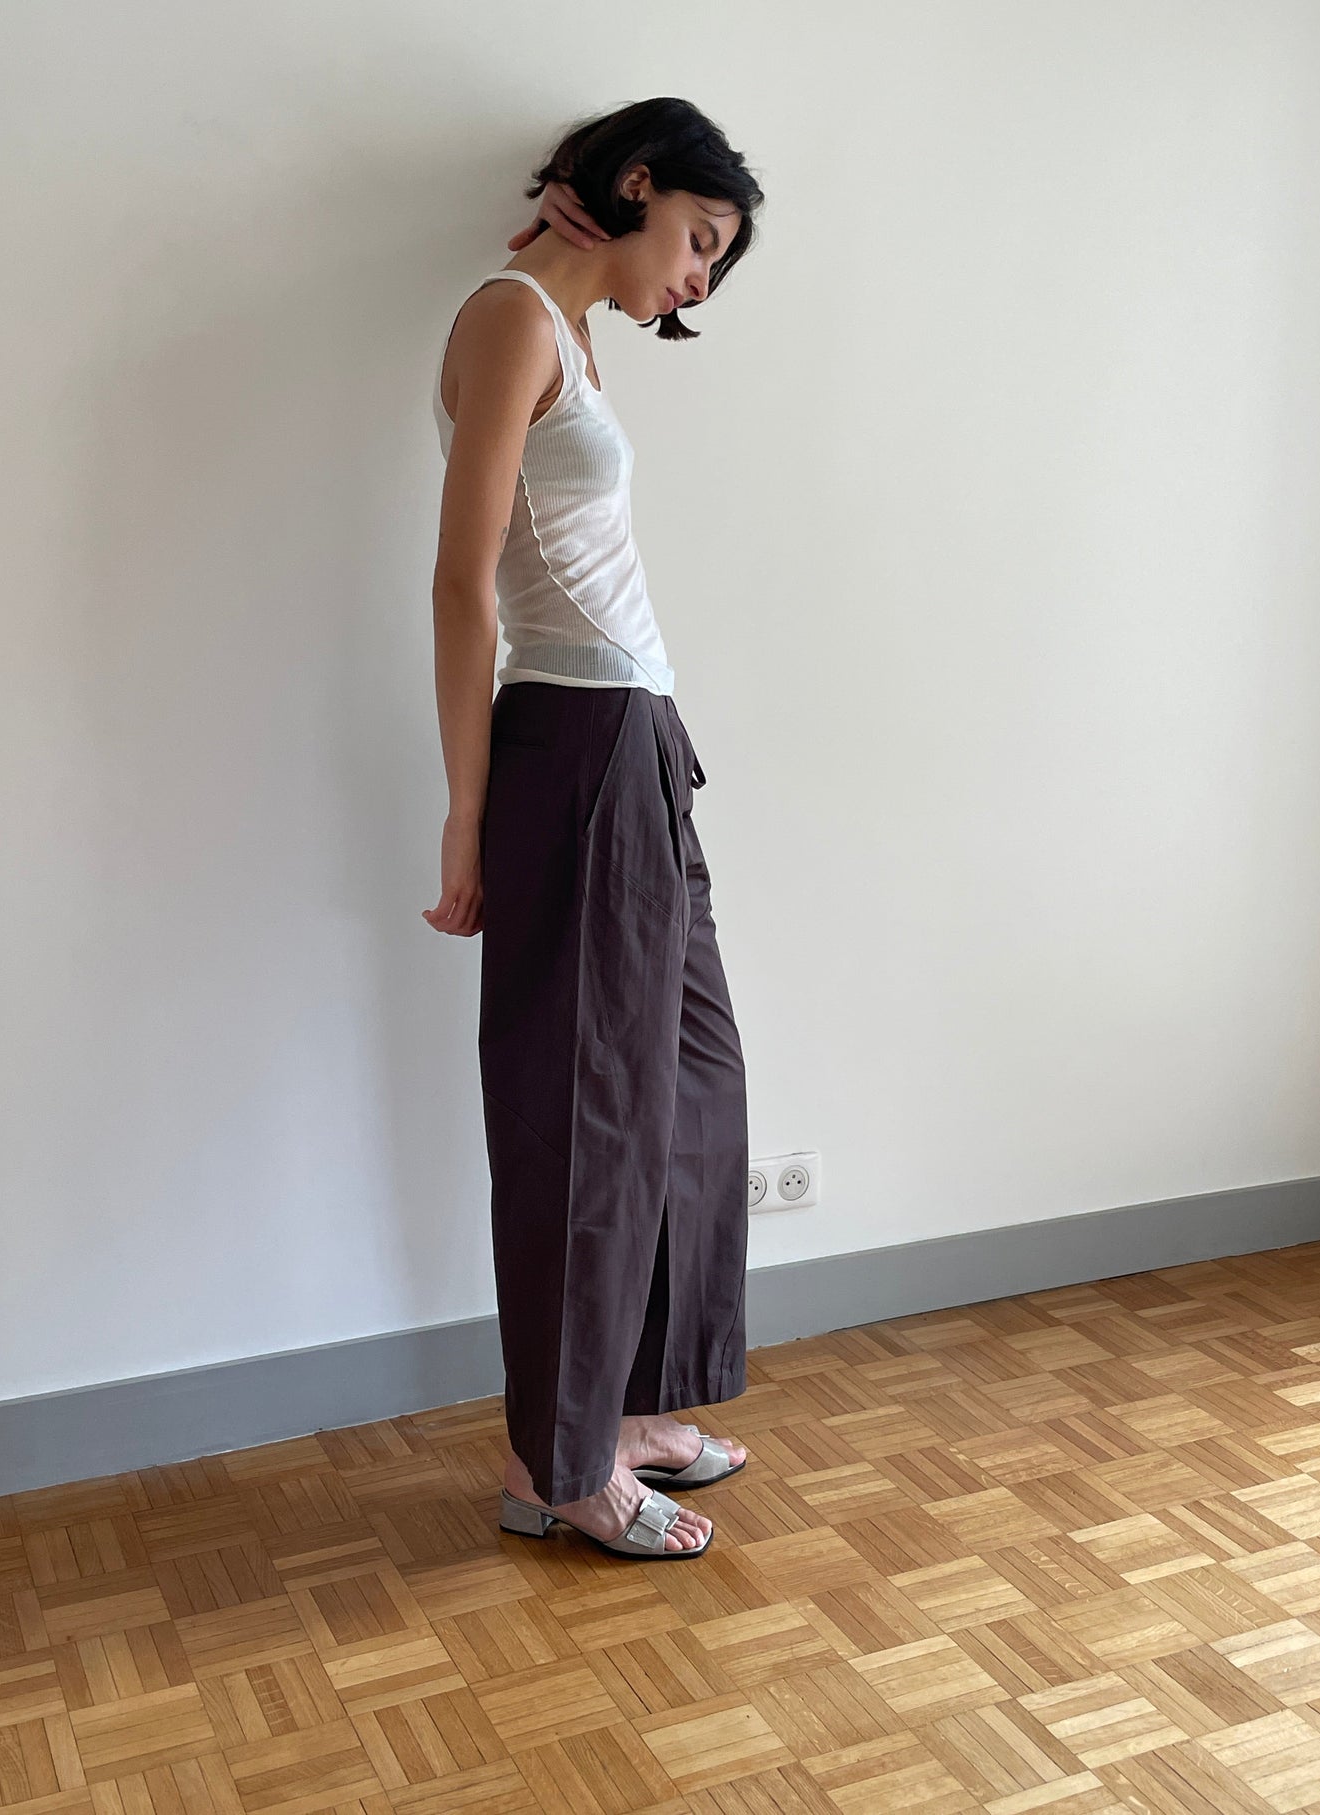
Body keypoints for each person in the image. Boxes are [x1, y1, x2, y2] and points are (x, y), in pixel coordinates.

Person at [425, 99, 765, 1559]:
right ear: (635, 182)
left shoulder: (568, 334)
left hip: (639, 737)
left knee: (689, 1086)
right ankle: (549, 1463)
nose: (696, 280)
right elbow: (460, 581)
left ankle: (625, 1405)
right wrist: (465, 814)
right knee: (589, 1116)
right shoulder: (507, 320)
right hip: (569, 735)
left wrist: (600, 262)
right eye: (697, 238)